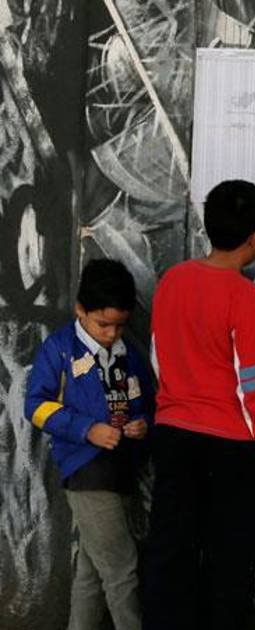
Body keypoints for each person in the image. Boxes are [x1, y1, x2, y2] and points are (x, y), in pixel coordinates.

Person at [143, 180, 255, 630]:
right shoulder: (246, 296)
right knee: (228, 566)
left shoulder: (172, 280)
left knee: (170, 557)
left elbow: (158, 357)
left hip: (174, 435)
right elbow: (254, 384)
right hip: (232, 449)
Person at [23, 258, 153, 630]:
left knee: (92, 572)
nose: (111, 333)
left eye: (120, 325)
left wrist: (144, 423)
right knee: (122, 568)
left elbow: (146, 401)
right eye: (102, 324)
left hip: (121, 468)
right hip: (85, 471)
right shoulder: (60, 349)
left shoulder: (129, 355)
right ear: (80, 309)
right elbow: (35, 406)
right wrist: (86, 429)